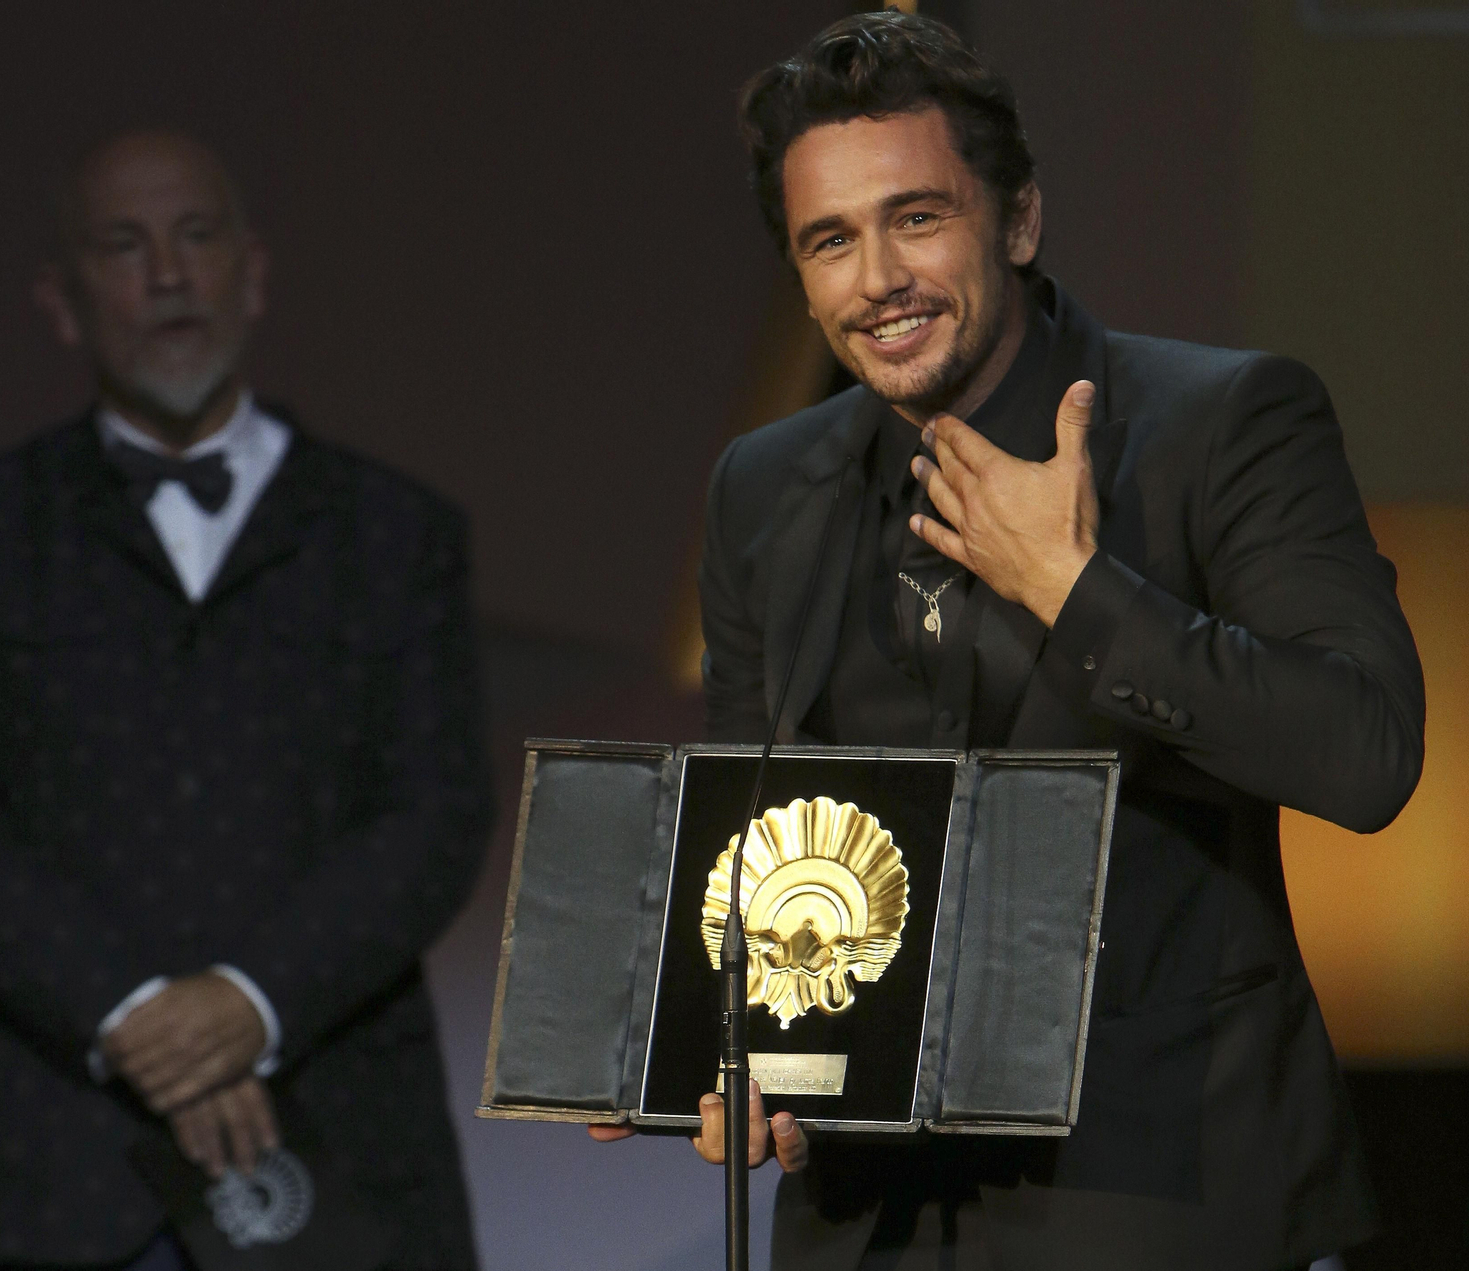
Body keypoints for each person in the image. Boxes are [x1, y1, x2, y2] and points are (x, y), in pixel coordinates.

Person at [596, 12, 1425, 1271]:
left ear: (1019, 221)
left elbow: (1365, 754)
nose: (877, 277)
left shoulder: (1225, 422)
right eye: (830, 240)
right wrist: (717, 1043)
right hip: (864, 1215)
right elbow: (756, 833)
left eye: (917, 217)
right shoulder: (762, 486)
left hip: (1160, 1199)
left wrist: (1072, 584)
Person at [0, 131, 491, 1269]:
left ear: (251, 273)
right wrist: (132, 1014)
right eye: (124, 243)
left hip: (336, 1153)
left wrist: (251, 1003)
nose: (167, 273)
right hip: (27, 1168)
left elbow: (435, 811)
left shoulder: (399, 535)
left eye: (196, 235)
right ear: (60, 301)